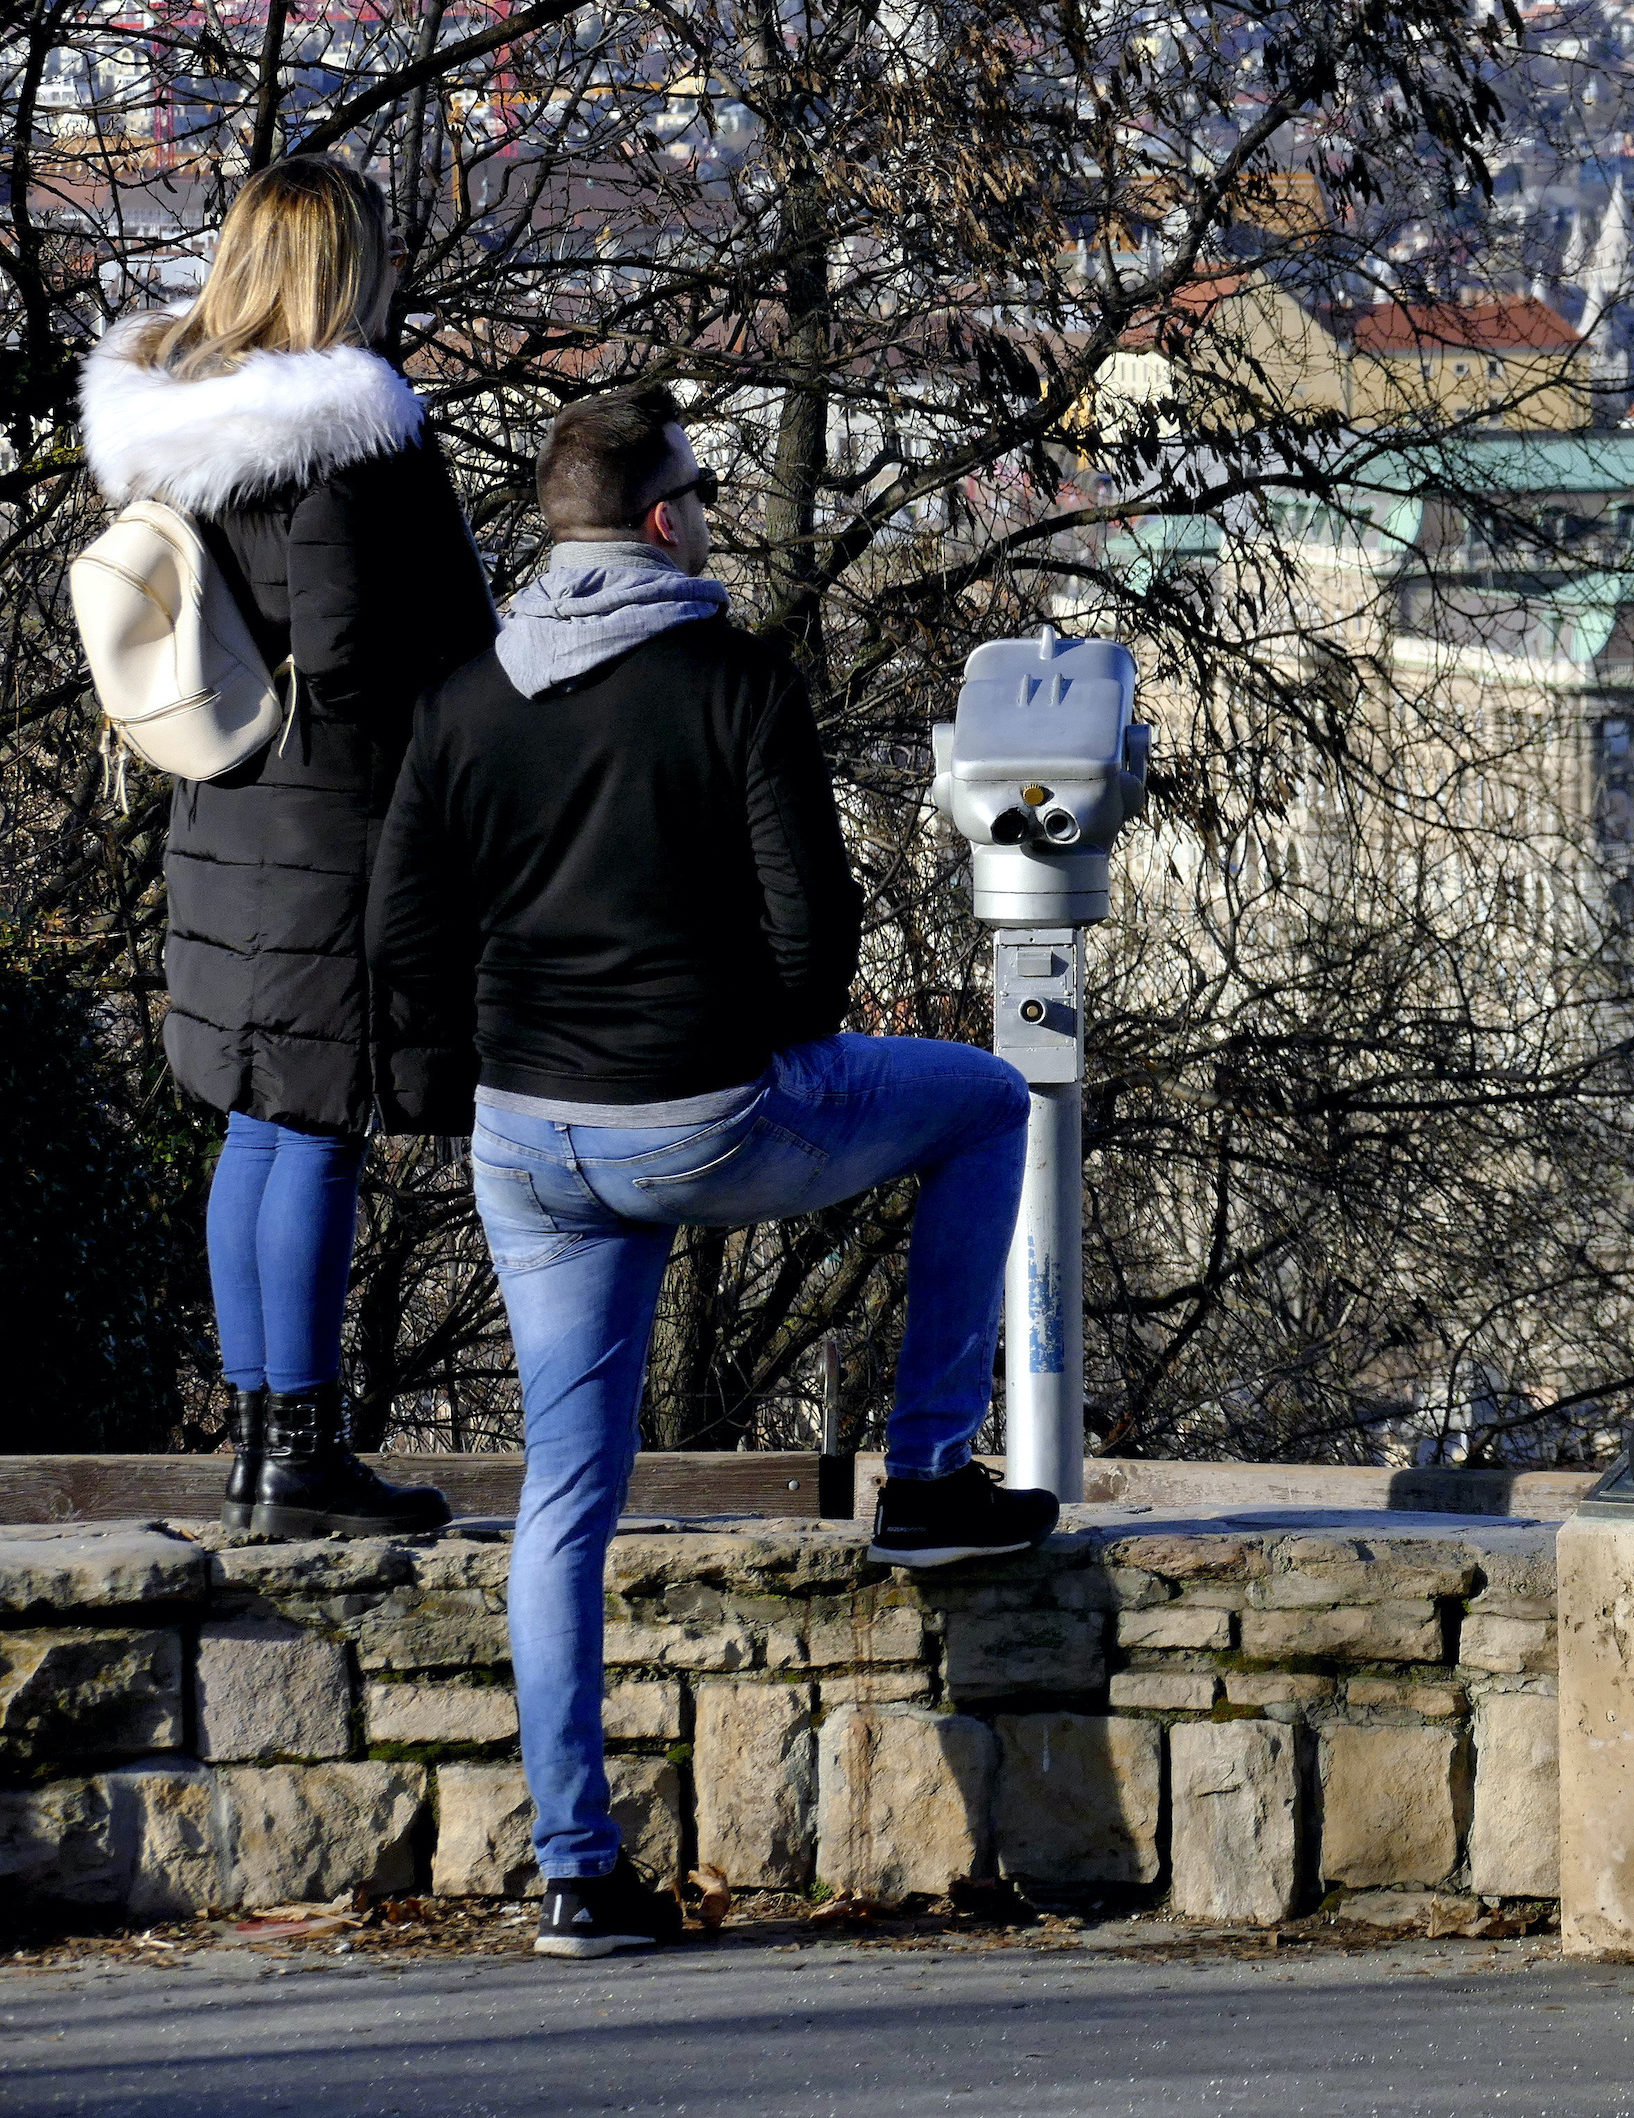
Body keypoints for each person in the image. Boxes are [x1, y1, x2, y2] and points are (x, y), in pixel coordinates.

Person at [366, 387, 1060, 1959]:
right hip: (700, 1106)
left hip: (526, 1137)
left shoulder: (466, 695)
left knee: (566, 1497)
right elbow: (811, 930)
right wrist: (752, 1041)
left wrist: (455, 1083)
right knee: (984, 1103)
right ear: (666, 518)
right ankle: (931, 1476)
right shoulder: (730, 678)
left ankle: (573, 1871)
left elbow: (398, 929)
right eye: (700, 492)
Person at [76, 154, 494, 1536]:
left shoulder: (181, 427)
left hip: (228, 803)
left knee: (259, 1129)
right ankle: (303, 1450)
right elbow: (362, 647)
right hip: (335, 820)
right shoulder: (350, 432)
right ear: (338, 264)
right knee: (316, 1128)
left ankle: (265, 1437)